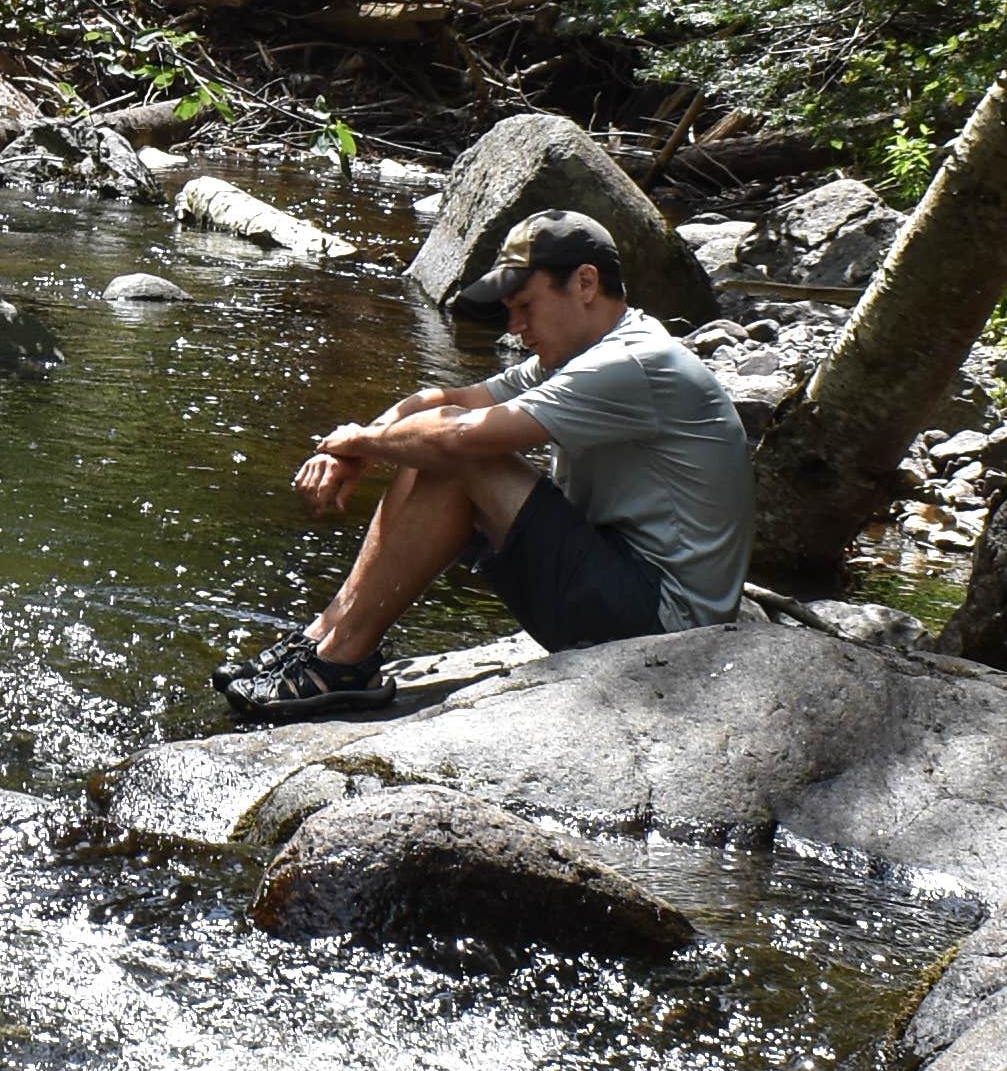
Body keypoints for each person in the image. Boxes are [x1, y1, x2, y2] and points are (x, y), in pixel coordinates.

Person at [223, 209, 753, 718]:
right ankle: (325, 638)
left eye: (526, 305)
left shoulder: (631, 362)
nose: (515, 326)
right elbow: (440, 401)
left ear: (585, 283)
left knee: (459, 455)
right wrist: (356, 445)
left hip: (666, 626)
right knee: (429, 438)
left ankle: (341, 659)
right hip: (623, 589)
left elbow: (456, 436)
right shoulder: (579, 357)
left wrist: (363, 442)